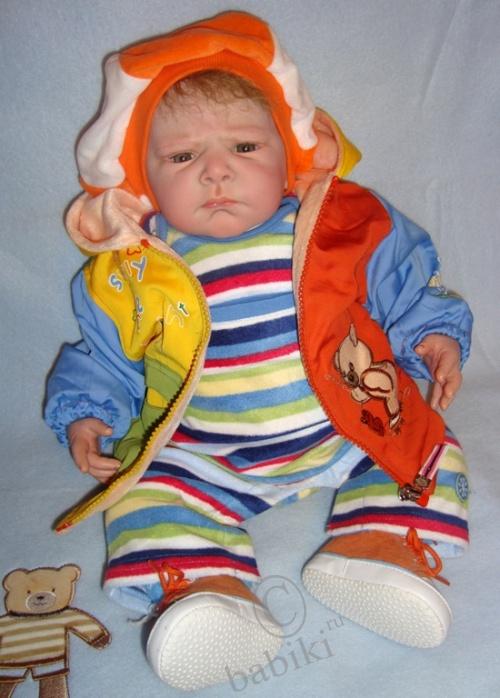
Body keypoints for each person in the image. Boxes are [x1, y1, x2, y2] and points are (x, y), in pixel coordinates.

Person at [44, 11, 473, 691]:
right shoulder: (134, 270)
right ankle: (207, 593)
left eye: (244, 146)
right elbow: (102, 354)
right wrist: (86, 413)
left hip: (348, 428)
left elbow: (404, 279)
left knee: (425, 445)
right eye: (181, 157)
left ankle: (380, 548)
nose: (216, 171)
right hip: (207, 456)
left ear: (289, 154)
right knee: (142, 495)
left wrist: (434, 333)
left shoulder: (334, 223)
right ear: (143, 182)